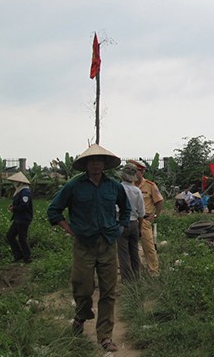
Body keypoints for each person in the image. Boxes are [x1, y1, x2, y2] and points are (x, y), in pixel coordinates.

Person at [47, 144, 131, 352]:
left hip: (108, 244)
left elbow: (126, 208)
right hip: (84, 244)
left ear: (104, 164)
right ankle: (80, 316)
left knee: (108, 291)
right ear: (85, 164)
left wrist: (120, 227)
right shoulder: (74, 186)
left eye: (99, 161)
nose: (95, 164)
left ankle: (104, 336)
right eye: (91, 161)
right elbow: (54, 211)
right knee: (82, 287)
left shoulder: (113, 186)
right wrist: (70, 230)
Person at [127, 160, 164, 276]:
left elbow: (159, 201)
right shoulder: (128, 185)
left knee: (148, 247)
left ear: (141, 172)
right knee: (129, 247)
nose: (133, 174)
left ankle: (153, 271)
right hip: (130, 220)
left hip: (145, 220)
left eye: (136, 171)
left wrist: (156, 214)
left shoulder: (150, 185)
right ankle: (134, 271)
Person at [117, 163, 145, 283]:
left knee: (123, 253)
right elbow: (141, 212)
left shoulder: (117, 189)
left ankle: (127, 280)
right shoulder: (137, 191)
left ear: (123, 176)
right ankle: (137, 276)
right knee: (134, 251)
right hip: (134, 223)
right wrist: (139, 228)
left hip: (121, 222)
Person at [6, 172, 33, 264]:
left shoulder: (25, 191)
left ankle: (27, 257)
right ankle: (19, 255)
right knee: (10, 236)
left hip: (23, 218)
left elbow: (24, 205)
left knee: (22, 238)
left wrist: (14, 208)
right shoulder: (20, 191)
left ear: (20, 182)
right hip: (18, 218)